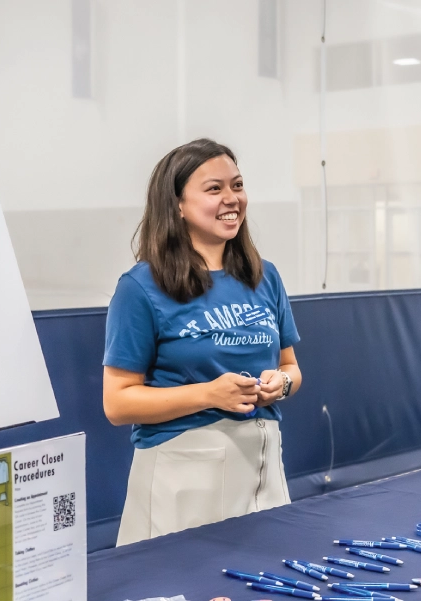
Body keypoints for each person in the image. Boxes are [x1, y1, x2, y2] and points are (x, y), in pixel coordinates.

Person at [103, 138, 302, 546]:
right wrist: (211, 394)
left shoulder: (266, 277)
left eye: (237, 185)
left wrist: (279, 385)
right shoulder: (141, 288)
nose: (232, 199)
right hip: (183, 480)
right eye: (214, 189)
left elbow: (291, 368)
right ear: (177, 204)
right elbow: (118, 403)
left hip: (264, 469)